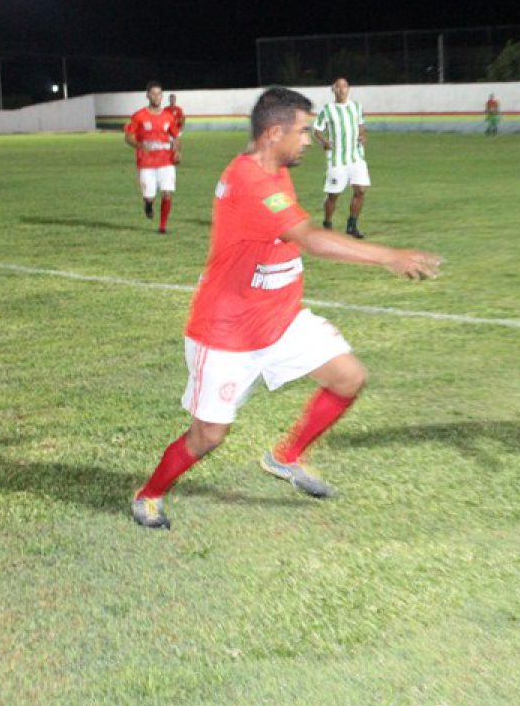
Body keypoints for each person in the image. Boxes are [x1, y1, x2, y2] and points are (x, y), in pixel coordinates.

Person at [131, 87, 442, 529]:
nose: (309, 140)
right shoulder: (249, 180)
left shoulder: (273, 166)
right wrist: (388, 256)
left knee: (349, 376)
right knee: (208, 436)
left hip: (280, 319)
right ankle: (149, 494)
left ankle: (286, 458)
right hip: (228, 333)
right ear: (274, 132)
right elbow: (310, 238)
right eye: (303, 131)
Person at [313, 77, 370, 238]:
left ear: (348, 89)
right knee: (333, 195)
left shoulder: (356, 107)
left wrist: (362, 136)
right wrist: (323, 141)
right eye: (338, 87)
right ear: (333, 89)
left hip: (356, 157)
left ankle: (352, 225)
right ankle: (327, 224)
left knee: (360, 190)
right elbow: (317, 129)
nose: (342, 89)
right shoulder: (327, 109)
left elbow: (361, 125)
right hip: (337, 159)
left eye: (344, 86)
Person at [123, 80, 181, 233]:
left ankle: (162, 226)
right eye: (153, 94)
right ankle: (148, 204)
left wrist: (177, 151)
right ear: (147, 95)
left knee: (167, 192)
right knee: (149, 196)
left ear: (162, 96)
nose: (156, 97)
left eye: (159, 94)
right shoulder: (139, 116)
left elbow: (175, 137)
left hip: (166, 161)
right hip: (146, 162)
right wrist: (140, 145)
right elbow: (128, 137)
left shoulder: (168, 117)